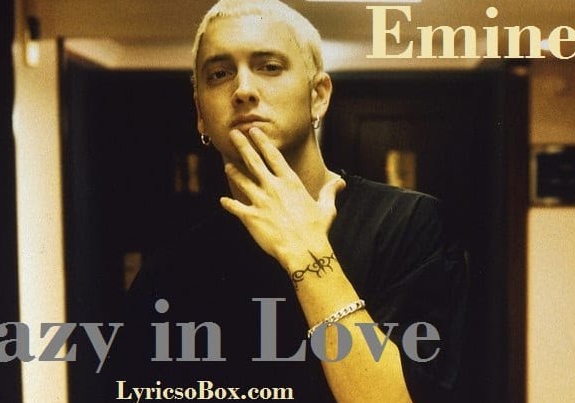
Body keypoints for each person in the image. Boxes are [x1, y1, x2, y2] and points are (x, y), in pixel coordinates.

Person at [112, 1, 468, 402]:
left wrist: (307, 254)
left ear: (318, 96)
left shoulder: (408, 224)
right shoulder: (169, 270)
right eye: (219, 74)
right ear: (200, 114)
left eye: (269, 66)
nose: (243, 90)